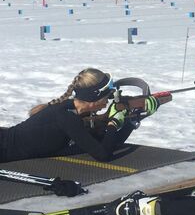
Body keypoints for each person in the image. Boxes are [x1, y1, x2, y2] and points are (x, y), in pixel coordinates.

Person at [0, 68, 160, 164]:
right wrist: (113, 122)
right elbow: (103, 154)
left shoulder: (73, 111)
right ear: (93, 97)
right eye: (108, 96)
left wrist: (132, 120)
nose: (109, 100)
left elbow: (107, 144)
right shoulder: (67, 117)